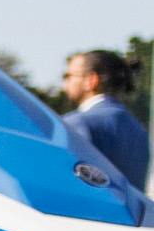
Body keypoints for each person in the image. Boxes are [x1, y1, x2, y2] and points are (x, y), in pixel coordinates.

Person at [58, 50, 145, 193]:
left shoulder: (77, 123)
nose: (65, 83)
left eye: (68, 76)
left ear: (91, 80)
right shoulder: (138, 129)